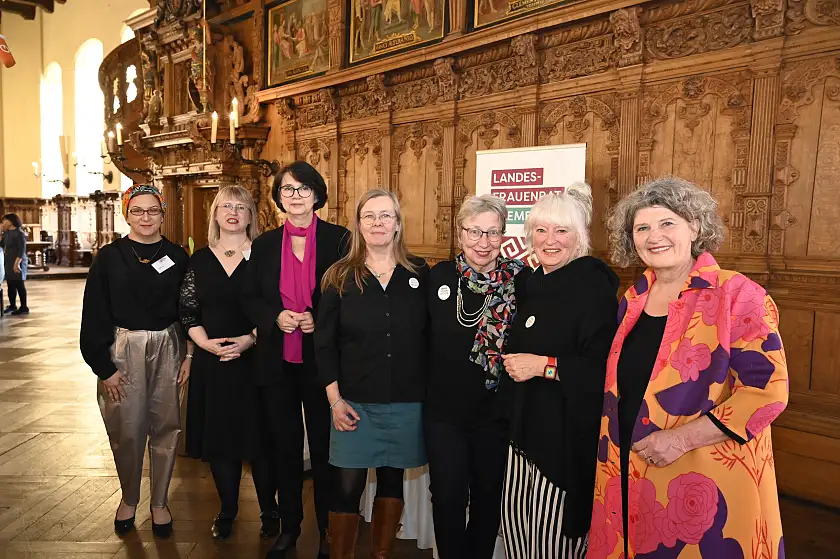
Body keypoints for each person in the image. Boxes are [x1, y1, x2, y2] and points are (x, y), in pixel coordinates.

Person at [587, 177, 789, 559]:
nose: (654, 236)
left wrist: (680, 439)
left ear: (694, 226)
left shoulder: (737, 294)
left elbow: (768, 393)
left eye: (667, 223)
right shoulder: (633, 299)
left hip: (704, 480)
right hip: (627, 473)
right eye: (642, 227)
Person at [499, 185, 618, 559]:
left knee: (554, 540)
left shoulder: (593, 286)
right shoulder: (529, 283)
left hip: (564, 439)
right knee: (517, 527)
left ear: (579, 237)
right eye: (541, 230)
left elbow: (603, 370)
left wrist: (543, 366)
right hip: (520, 432)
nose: (550, 240)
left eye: (562, 231)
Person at [242, 161, 350, 559]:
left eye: (304, 189)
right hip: (277, 359)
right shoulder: (265, 244)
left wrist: (316, 318)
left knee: (326, 450)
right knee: (283, 447)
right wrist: (276, 316)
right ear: (277, 198)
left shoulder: (340, 240)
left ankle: (327, 531)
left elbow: (348, 295)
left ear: (318, 194)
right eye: (287, 190)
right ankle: (290, 527)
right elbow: (250, 296)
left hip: (322, 361)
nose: (296, 196)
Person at [315, 189, 429, 559]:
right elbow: (324, 345)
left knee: (392, 483)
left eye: (386, 215)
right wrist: (335, 401)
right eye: (370, 216)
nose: (378, 223)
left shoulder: (421, 274)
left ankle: (381, 555)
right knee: (346, 488)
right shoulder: (338, 276)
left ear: (398, 223)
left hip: (406, 401)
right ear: (359, 225)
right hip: (353, 403)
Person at [80, 184, 192, 539]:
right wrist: (104, 367)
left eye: (152, 211)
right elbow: (94, 312)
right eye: (138, 211)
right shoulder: (109, 257)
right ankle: (129, 497)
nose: (145, 217)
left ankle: (159, 502)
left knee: (167, 427)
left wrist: (189, 353)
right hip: (122, 349)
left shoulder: (177, 256)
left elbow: (190, 309)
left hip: (169, 347)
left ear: (163, 214)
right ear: (126, 214)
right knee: (126, 429)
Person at [425, 194, 529, 559]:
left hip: (496, 412)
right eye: (474, 232)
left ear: (503, 235)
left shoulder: (522, 280)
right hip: (444, 413)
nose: (483, 242)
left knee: (488, 495)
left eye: (492, 233)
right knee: (449, 495)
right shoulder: (436, 277)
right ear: (459, 233)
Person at [180, 185, 276, 541]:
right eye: (226, 206)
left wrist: (250, 339)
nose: (233, 212)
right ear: (215, 214)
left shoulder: (265, 255)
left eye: (241, 206)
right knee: (221, 441)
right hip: (214, 361)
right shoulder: (200, 260)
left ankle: (269, 509)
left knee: (261, 439)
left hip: (258, 358)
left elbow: (275, 303)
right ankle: (229, 509)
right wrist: (206, 345)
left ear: (251, 214)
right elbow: (188, 310)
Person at [1, 213, 28, 315]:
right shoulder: (6, 233)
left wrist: (16, 264)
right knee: (10, 284)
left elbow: (22, 250)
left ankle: (24, 307)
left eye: (5, 221)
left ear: (11, 221)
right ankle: (12, 305)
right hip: (8, 261)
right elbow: (2, 245)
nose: (3, 223)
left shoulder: (19, 233)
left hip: (18, 261)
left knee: (19, 284)